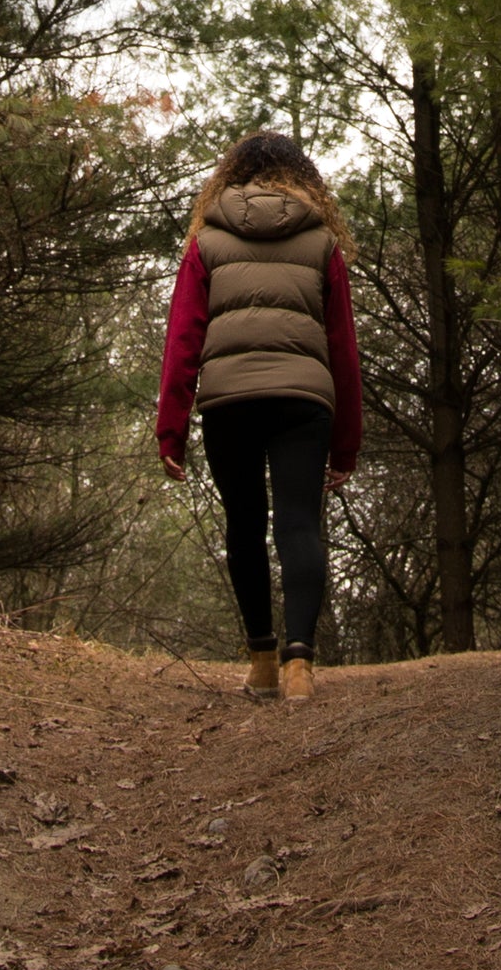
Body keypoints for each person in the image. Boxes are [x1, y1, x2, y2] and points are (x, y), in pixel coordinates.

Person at [153, 130, 363, 700]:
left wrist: (170, 431)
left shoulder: (208, 237)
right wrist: (346, 443)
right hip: (304, 401)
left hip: (230, 401)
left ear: (232, 174)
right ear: (301, 177)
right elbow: (343, 347)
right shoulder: (320, 239)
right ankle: (300, 665)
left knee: (244, 526)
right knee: (298, 524)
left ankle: (262, 662)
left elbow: (183, 338)